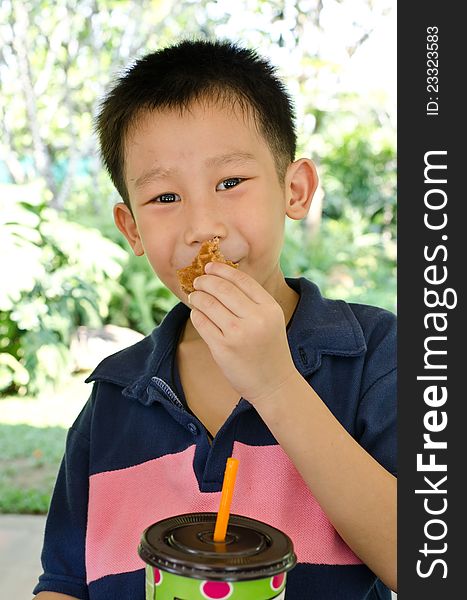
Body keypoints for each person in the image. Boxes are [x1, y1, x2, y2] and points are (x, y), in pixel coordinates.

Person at [33, 39, 396, 599]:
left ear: (294, 190)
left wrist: (275, 384)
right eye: (164, 197)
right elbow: (64, 582)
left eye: (230, 183)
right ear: (131, 230)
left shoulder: (375, 354)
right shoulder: (114, 394)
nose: (203, 226)